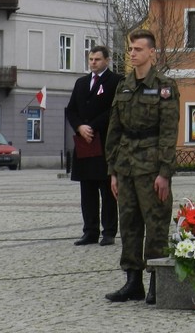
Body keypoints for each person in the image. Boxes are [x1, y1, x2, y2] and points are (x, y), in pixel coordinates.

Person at [103, 30, 179, 304]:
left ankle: (158, 281)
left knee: (156, 223)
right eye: (130, 49)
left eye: (137, 49)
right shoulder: (123, 86)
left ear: (151, 53)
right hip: (126, 165)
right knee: (129, 224)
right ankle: (132, 281)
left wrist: (164, 173)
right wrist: (112, 170)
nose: (132, 53)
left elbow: (169, 133)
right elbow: (114, 129)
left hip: (151, 166)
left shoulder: (164, 86)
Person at [64, 45, 121, 246]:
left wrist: (92, 126)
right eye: (91, 59)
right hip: (84, 143)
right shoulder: (81, 83)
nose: (93, 63)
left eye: (97, 59)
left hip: (104, 142)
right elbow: (71, 110)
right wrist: (79, 126)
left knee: (107, 190)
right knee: (86, 190)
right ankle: (90, 231)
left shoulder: (116, 81)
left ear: (106, 60)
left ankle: (109, 231)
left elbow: (114, 110)